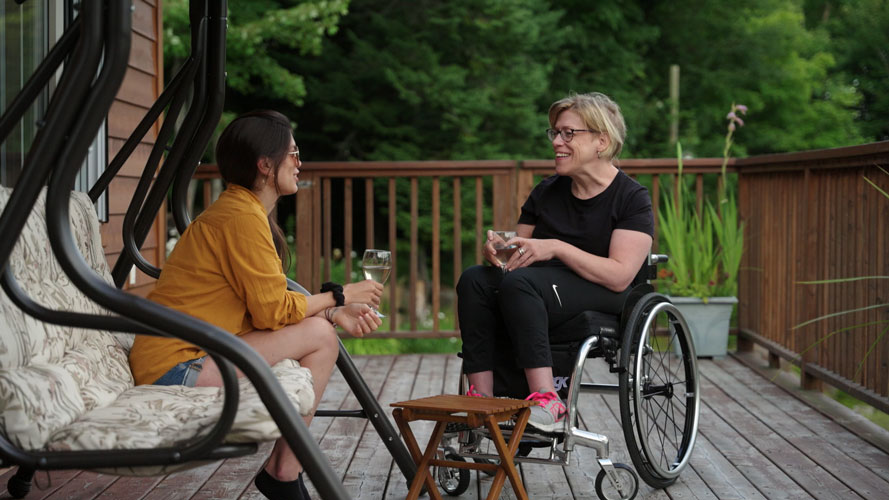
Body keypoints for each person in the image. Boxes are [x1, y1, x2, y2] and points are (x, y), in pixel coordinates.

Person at [128, 110, 383, 500]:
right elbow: (271, 312)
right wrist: (339, 296)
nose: (300, 164)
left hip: (186, 355)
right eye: (293, 155)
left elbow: (264, 307)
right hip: (176, 367)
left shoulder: (240, 212)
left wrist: (331, 311)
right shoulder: (240, 218)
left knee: (321, 330)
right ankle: (283, 473)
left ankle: (284, 472)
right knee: (321, 337)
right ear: (265, 164)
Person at [456, 92, 654, 433]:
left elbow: (621, 275)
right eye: (555, 134)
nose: (557, 143)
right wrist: (501, 250)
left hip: (605, 291)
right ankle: (482, 400)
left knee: (520, 283)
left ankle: (547, 400)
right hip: (539, 289)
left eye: (568, 134)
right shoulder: (547, 191)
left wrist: (557, 248)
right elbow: (520, 255)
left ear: (601, 141)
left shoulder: (631, 198)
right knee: (475, 278)